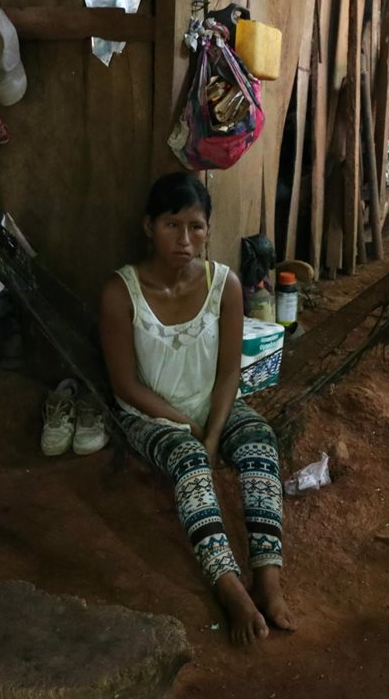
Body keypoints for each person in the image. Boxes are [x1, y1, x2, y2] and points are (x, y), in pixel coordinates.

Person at [100, 172, 294, 645]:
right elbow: (124, 384)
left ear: (208, 230)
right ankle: (229, 587)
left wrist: (211, 431)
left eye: (196, 227)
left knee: (258, 440)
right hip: (149, 414)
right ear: (149, 226)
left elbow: (230, 373)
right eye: (172, 225)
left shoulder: (223, 285)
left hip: (215, 405)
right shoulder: (120, 293)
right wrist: (188, 427)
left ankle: (268, 576)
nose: (185, 240)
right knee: (188, 463)